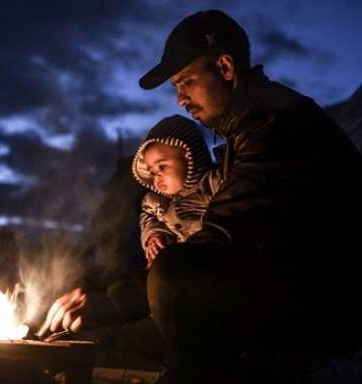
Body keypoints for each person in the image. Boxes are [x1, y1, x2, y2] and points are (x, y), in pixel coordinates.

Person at [45, 9, 362, 383]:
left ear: (225, 68)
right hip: (296, 302)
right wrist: (105, 306)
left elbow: (218, 245)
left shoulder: (277, 128)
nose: (180, 99)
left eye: (186, 82)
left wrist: (130, 296)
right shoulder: (251, 128)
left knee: (177, 275)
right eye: (176, 88)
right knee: (132, 331)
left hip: (330, 316)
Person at [131, 115, 221, 269]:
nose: (157, 177)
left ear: (188, 157)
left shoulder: (213, 183)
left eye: (162, 167)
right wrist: (154, 235)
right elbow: (149, 215)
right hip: (176, 265)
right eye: (152, 172)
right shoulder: (158, 201)